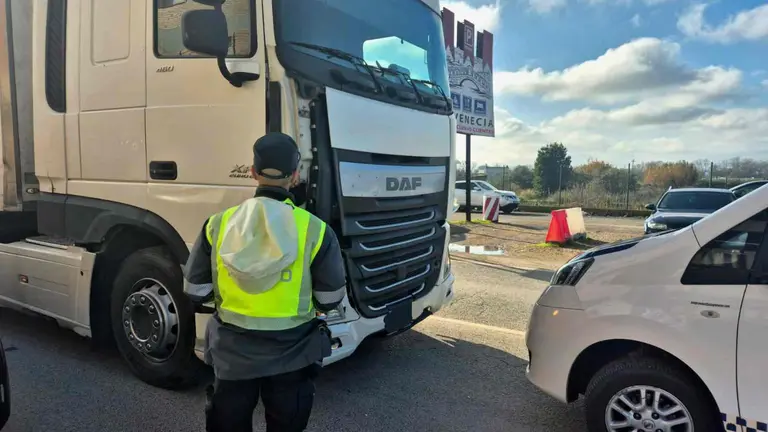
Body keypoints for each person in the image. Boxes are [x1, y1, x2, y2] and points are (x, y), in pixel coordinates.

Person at [183, 132, 346, 432]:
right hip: (293, 356)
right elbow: (329, 298)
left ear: (254, 172)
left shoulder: (217, 224)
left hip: (232, 355)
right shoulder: (316, 230)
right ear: (295, 176)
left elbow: (196, 291)